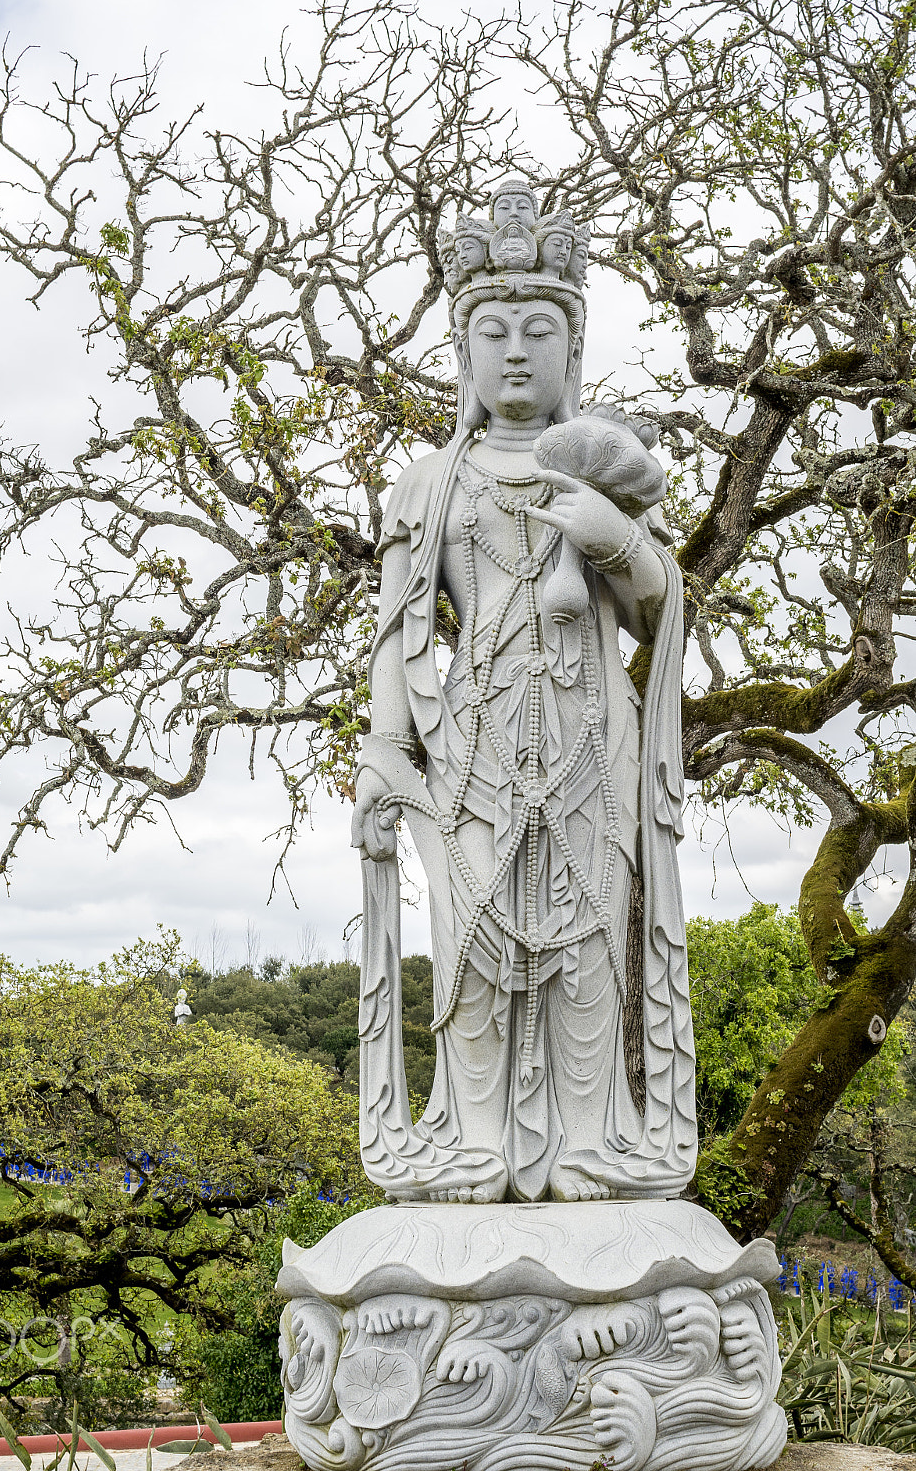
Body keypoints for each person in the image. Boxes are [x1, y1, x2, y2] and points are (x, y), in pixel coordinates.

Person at [352, 182, 696, 1204]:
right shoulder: (428, 483)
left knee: (587, 934)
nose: (513, 351)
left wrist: (612, 538)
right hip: (473, 739)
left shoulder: (609, 477)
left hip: (593, 729)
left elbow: (657, 608)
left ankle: (589, 1139)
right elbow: (395, 631)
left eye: (536, 331)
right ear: (462, 351)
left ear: (569, 350)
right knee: (474, 939)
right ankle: (473, 1142)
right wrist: (382, 751)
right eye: (492, 330)